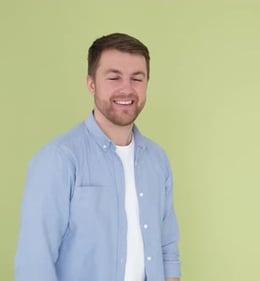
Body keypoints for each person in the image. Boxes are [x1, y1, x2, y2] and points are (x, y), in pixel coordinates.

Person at [15, 33, 181, 281]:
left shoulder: (157, 160)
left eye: (137, 78)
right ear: (91, 84)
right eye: (114, 77)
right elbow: (34, 263)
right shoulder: (58, 159)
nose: (127, 88)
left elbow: (167, 249)